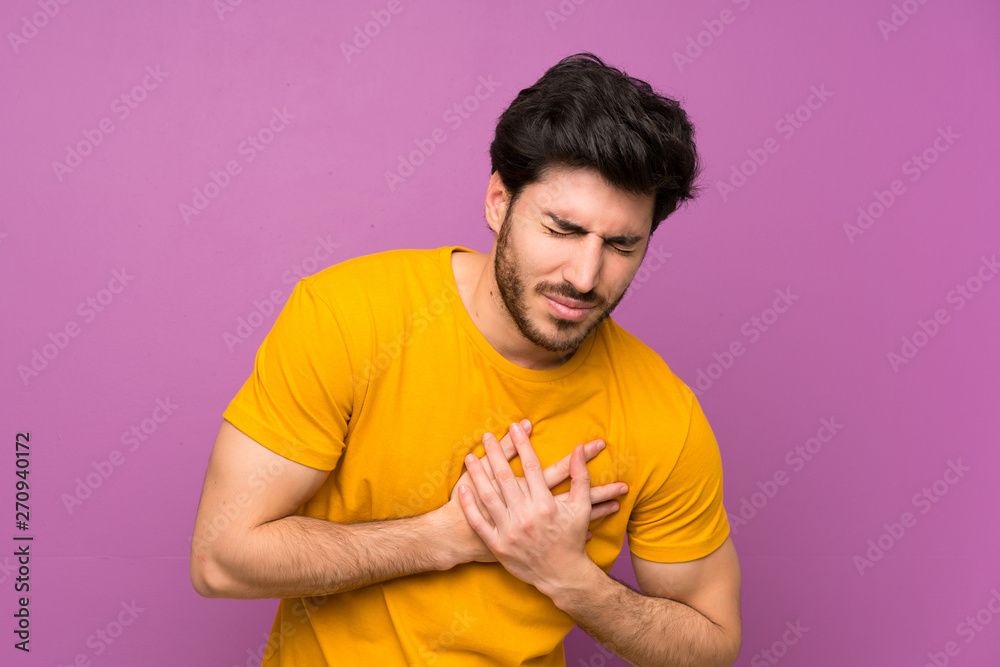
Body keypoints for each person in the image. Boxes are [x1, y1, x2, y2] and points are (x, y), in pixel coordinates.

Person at [190, 52, 741, 666]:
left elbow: (711, 646)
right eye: (561, 230)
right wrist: (441, 538)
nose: (586, 277)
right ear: (499, 203)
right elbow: (220, 558)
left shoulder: (663, 413)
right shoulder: (350, 316)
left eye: (620, 245)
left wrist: (568, 577)